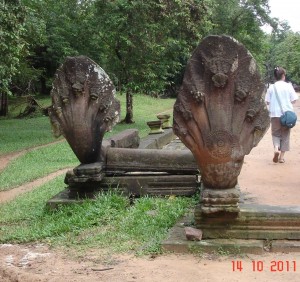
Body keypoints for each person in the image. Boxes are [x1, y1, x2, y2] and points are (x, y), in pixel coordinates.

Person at [265, 66, 298, 163]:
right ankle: (282, 158)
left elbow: (267, 102)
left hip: (274, 114)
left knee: (275, 133)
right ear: (283, 75)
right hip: (286, 114)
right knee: (285, 135)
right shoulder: (288, 86)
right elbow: (294, 100)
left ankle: (276, 148)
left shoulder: (271, 87)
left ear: (275, 76)